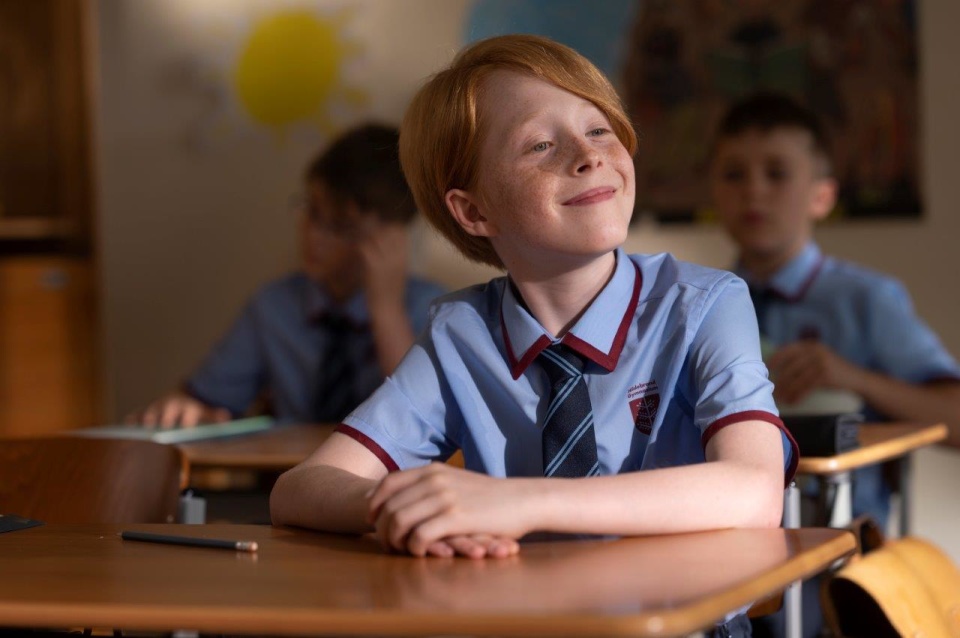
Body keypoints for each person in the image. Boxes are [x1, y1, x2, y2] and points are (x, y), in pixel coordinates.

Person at [271, 34, 796, 634]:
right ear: (474, 212)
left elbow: (755, 493)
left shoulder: (704, 304)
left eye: (599, 130)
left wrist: (516, 503)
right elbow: (299, 489)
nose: (589, 154)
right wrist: (407, 506)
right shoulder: (459, 335)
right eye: (541, 145)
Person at [709, 92, 960, 638]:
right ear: (713, 194)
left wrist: (852, 377)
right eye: (733, 174)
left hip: (838, 580)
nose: (753, 189)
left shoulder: (867, 300)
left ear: (822, 196)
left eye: (777, 173)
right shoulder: (695, 304)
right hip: (728, 572)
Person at [127, 123, 446, 428]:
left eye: (339, 226)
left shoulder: (428, 307)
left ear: (392, 237)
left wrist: (385, 308)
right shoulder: (275, 305)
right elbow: (209, 399)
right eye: (312, 212)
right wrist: (190, 409)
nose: (315, 236)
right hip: (290, 476)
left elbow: (420, 416)